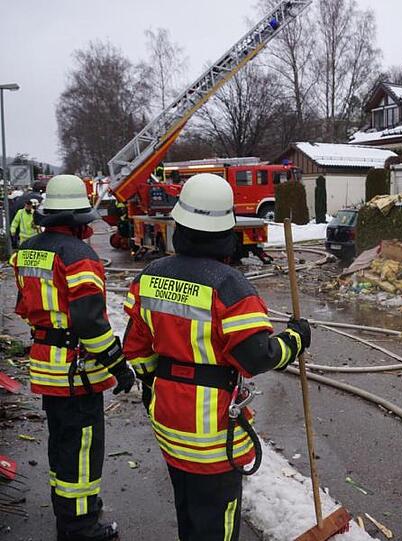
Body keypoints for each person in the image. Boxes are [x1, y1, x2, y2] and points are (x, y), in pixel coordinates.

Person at [122, 173, 311, 541]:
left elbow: (136, 348)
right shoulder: (230, 286)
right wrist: (295, 339)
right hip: (211, 435)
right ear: (226, 230)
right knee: (215, 524)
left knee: (188, 513)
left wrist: (154, 384)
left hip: (168, 423)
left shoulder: (149, 277)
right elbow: (256, 357)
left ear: (180, 224)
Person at [9, 174, 135, 541]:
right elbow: (90, 323)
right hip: (75, 371)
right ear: (79, 219)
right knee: (82, 450)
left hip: (46, 364)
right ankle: (80, 525)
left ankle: (68, 511)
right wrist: (118, 366)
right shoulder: (79, 257)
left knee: (62, 443)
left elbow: (25, 307)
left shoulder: (27, 250)